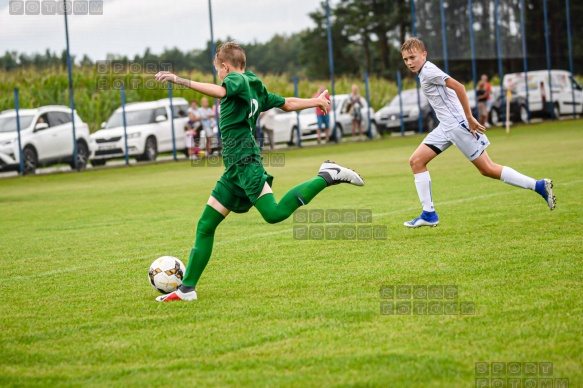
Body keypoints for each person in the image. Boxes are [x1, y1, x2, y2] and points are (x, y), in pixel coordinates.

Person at [154, 42, 364, 302]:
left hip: (245, 163)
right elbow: (286, 103)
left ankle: (327, 175)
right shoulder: (254, 83)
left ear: (225, 66)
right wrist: (316, 101)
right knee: (206, 225)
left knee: (274, 214)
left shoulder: (236, 80)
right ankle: (187, 289)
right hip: (235, 170)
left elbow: (219, 91)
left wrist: (179, 80)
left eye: (218, 71)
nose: (220, 76)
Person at [400, 37, 555, 228]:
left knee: (487, 169)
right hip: (445, 127)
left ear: (424, 55)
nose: (409, 63)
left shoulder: (429, 70)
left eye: (412, 57)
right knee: (416, 161)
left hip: (458, 126)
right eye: (405, 59)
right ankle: (429, 214)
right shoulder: (424, 71)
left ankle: (538, 186)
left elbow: (459, 87)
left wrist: (470, 118)